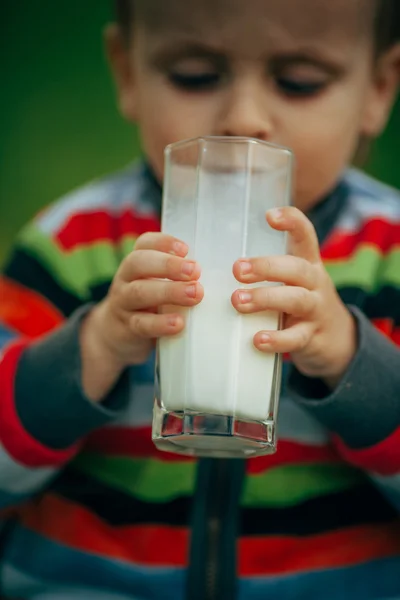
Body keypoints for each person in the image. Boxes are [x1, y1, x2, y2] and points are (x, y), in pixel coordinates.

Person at [1, 0, 400, 598]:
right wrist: (96, 344)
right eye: (194, 76)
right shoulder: (70, 245)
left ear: (378, 88)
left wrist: (351, 357)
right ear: (128, 72)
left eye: (299, 83)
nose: (242, 120)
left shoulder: (388, 255)